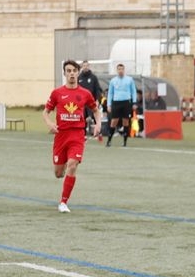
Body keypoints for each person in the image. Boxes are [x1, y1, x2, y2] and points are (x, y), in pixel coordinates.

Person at [42, 60, 102, 213]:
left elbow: (95, 110)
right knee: (58, 173)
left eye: (74, 71)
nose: (71, 74)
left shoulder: (85, 93)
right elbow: (46, 112)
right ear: (64, 73)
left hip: (77, 135)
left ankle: (63, 202)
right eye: (68, 71)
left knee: (73, 165)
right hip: (61, 136)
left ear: (78, 72)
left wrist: (98, 124)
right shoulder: (57, 93)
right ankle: (64, 174)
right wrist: (49, 124)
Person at [105, 63, 137, 147]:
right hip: (116, 102)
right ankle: (109, 140)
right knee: (113, 121)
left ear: (124, 70)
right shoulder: (113, 80)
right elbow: (110, 93)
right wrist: (109, 104)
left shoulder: (129, 80)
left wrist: (134, 102)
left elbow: (133, 91)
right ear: (117, 70)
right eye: (119, 69)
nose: (120, 71)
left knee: (125, 122)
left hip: (126, 102)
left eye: (122, 69)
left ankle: (125, 142)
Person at [78, 60, 101, 137]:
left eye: (87, 65)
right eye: (84, 66)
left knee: (95, 117)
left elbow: (98, 89)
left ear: (89, 66)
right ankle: (83, 135)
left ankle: (97, 133)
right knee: (82, 118)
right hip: (81, 102)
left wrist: (97, 99)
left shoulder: (93, 77)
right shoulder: (79, 77)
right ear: (82, 67)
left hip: (91, 101)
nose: (85, 67)